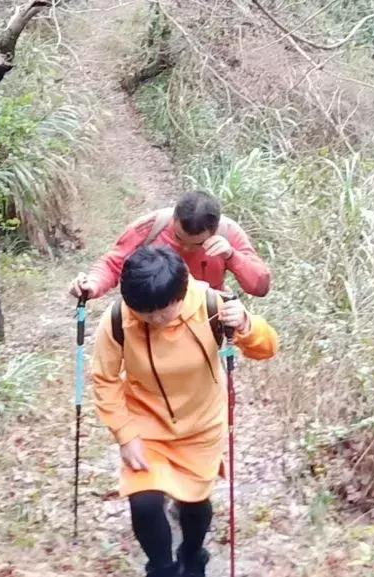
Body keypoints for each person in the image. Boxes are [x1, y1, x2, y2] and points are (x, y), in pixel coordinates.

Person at [91, 246, 278, 577]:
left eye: (164, 312)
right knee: (143, 501)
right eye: (146, 314)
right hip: (146, 426)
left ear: (181, 293)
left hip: (200, 426)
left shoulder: (212, 305)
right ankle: (162, 568)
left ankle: (192, 555)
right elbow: (105, 379)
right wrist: (125, 434)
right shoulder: (119, 319)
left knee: (194, 504)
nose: (156, 321)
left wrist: (247, 324)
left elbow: (266, 349)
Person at [70, 191, 271, 300]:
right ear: (174, 218)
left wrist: (231, 256)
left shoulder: (229, 234)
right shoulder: (151, 227)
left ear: (215, 229)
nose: (186, 248)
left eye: (198, 244)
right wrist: (93, 284)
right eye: (178, 238)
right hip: (149, 314)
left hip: (203, 322)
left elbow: (260, 287)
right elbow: (113, 264)